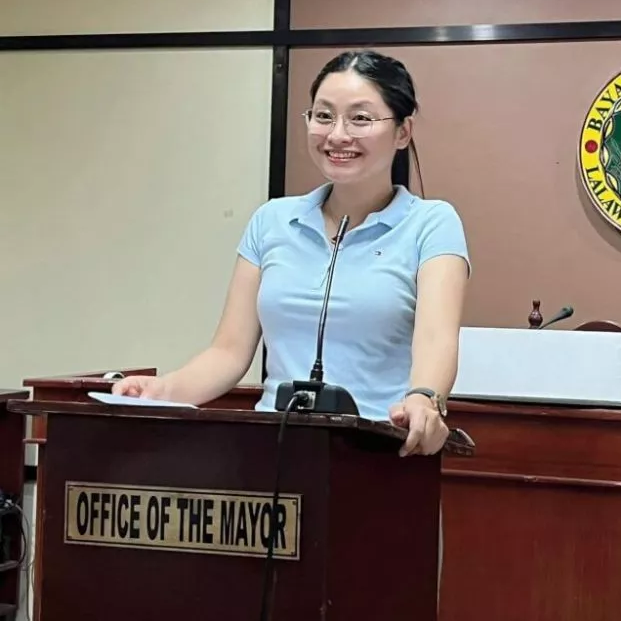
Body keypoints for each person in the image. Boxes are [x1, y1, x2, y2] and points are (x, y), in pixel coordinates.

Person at [113, 49, 470, 457]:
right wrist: (162, 390)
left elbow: (436, 338)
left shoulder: (431, 223)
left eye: (360, 118)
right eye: (323, 116)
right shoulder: (272, 221)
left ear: (403, 132)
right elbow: (228, 352)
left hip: (380, 453)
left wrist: (424, 398)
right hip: (275, 453)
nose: (337, 135)